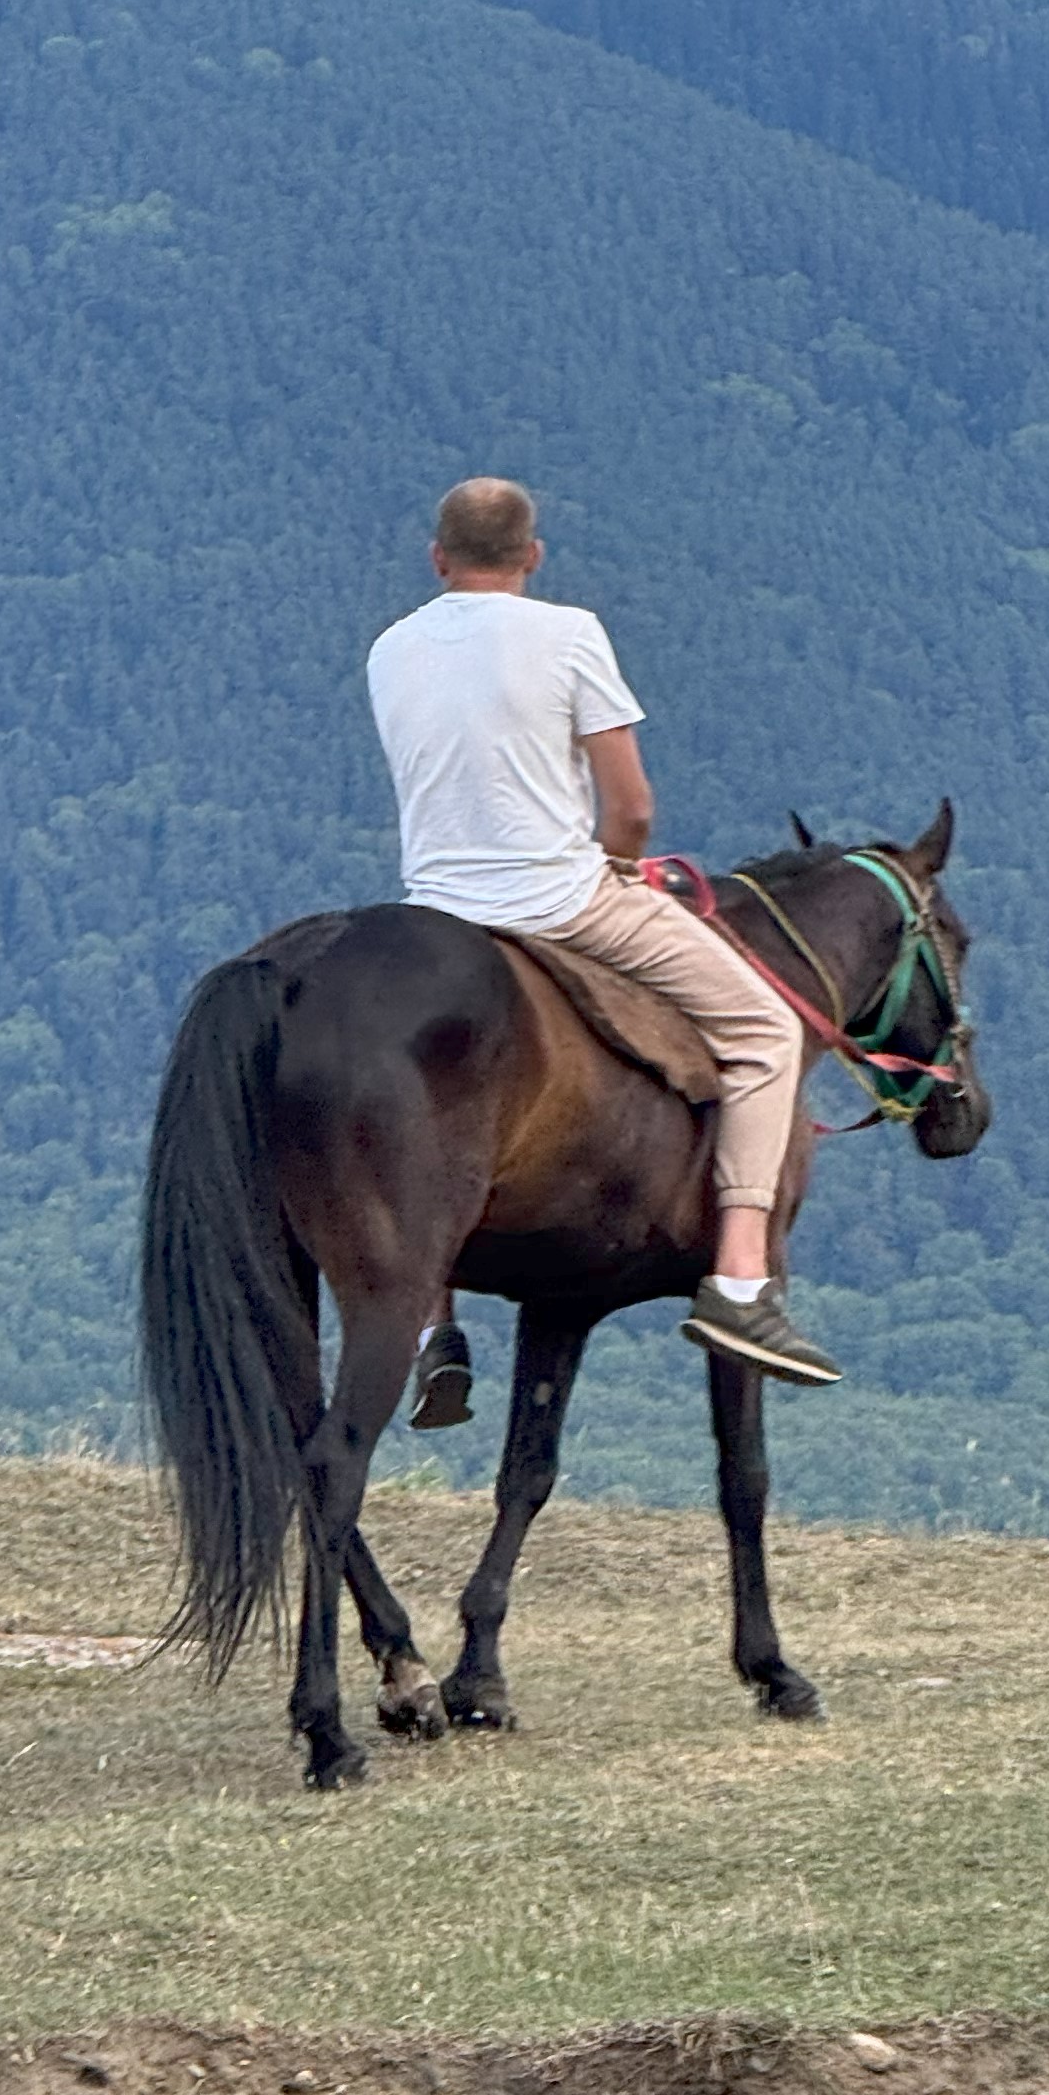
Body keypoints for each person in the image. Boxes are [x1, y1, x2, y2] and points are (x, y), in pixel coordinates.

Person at [364, 473, 839, 1406]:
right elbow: (631, 809)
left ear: (437, 558)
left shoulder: (390, 648)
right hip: (562, 900)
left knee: (421, 1097)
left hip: (437, 910)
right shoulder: (570, 634)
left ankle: (430, 1327)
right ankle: (743, 1280)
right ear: (533, 555)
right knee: (765, 1032)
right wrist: (618, 867)